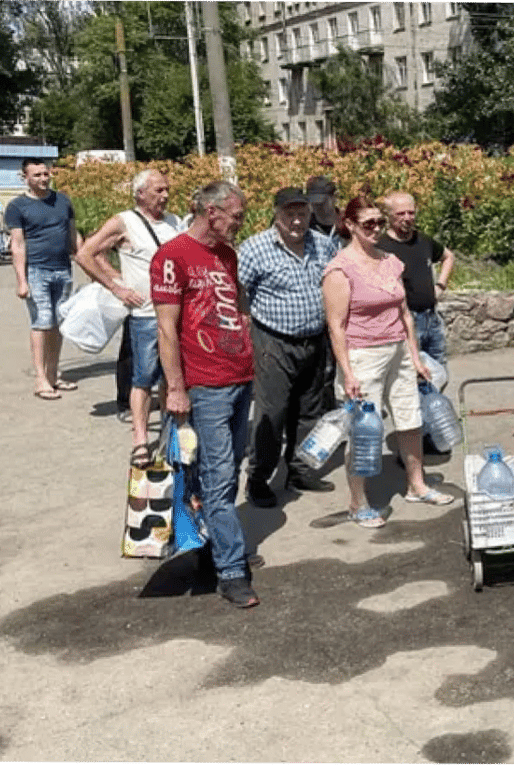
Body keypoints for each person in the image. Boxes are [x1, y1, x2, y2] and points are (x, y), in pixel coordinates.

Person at [150, 180, 259, 609]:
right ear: (211, 212)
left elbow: (235, 302)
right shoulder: (173, 256)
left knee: (228, 469)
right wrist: (176, 388)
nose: (239, 225)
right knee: (217, 478)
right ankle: (231, 571)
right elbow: (165, 329)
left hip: (239, 376)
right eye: (235, 217)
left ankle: (211, 547)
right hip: (205, 384)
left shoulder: (226, 255)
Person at [322, 193, 454, 529]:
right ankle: (358, 502)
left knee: (410, 419)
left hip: (398, 350)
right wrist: (348, 372)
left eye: (380, 222)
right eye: (368, 223)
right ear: (350, 225)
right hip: (363, 354)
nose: (376, 229)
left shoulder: (390, 261)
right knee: (364, 431)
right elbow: (336, 326)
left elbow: (405, 314)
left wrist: (415, 357)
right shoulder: (340, 269)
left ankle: (417, 485)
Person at [237, 187, 340, 508]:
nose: (297, 221)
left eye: (302, 214)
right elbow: (239, 290)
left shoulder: (323, 245)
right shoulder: (255, 248)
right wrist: (246, 328)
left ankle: (299, 470)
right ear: (277, 215)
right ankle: (258, 479)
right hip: (274, 342)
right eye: (289, 215)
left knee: (311, 410)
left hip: (316, 340)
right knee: (273, 412)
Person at [73, 169, 183, 466]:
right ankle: (140, 440)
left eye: (167, 189)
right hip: (145, 314)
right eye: (158, 190)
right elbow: (86, 253)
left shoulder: (174, 222)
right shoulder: (124, 221)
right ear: (140, 194)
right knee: (144, 377)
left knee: (170, 376)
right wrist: (116, 285)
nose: (165, 195)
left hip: (174, 313)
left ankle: (169, 437)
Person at [6, 158, 83, 401]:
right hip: (36, 271)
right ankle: (40, 379)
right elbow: (17, 244)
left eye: (45, 174)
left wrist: (86, 262)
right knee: (42, 322)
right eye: (37, 175)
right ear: (25, 177)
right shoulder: (17, 206)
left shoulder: (62, 201)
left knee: (59, 323)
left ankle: (53, 374)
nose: (43, 178)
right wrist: (21, 280)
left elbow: (73, 235)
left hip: (63, 269)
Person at [377, 190, 455, 369]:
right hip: (404, 322)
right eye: (400, 213)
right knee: (412, 375)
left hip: (432, 319)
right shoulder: (381, 247)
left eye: (411, 212)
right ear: (389, 215)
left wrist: (440, 285)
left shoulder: (424, 240)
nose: (407, 217)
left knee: (439, 373)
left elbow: (448, 257)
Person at [306, 175, 342, 246]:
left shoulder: (348, 224)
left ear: (334, 197)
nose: (318, 207)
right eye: (314, 203)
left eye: (322, 203)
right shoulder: (305, 228)